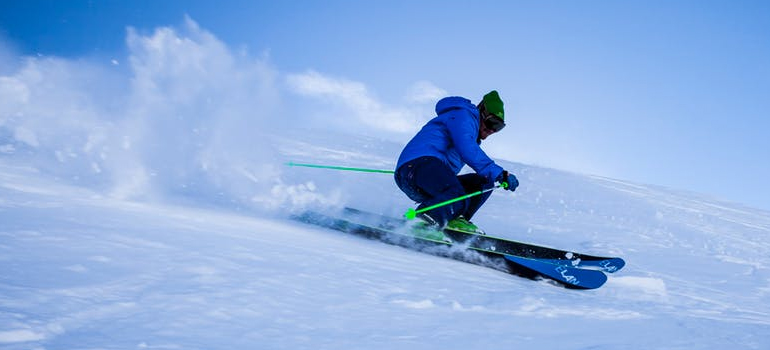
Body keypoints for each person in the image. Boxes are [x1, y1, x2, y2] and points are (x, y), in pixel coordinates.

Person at [394, 90, 519, 233]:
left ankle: (455, 220)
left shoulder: (472, 133)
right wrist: (500, 173)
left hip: (429, 177)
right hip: (416, 167)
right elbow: (466, 148)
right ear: (481, 111)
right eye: (492, 122)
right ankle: (422, 221)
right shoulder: (464, 116)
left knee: (483, 184)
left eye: (498, 127)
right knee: (456, 192)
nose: (492, 130)